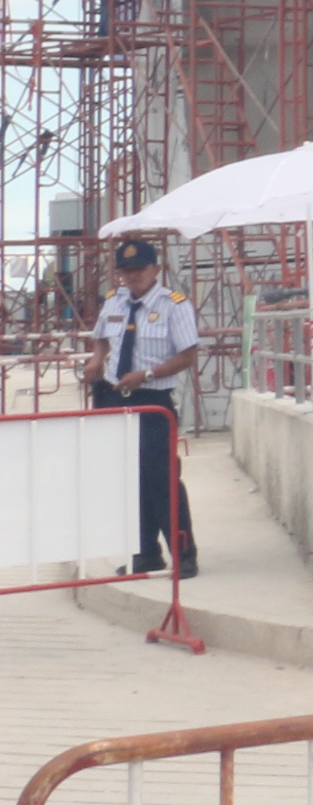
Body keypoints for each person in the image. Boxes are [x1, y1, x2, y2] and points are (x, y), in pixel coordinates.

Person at [89, 235, 201, 579]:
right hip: (113, 397)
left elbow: (188, 355)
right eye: (125, 271)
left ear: (156, 268)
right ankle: (145, 554)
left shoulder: (173, 305)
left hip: (152, 400)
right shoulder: (115, 301)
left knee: (161, 478)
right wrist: (96, 361)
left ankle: (184, 555)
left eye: (138, 270)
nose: (131, 277)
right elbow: (102, 337)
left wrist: (147, 374)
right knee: (127, 480)